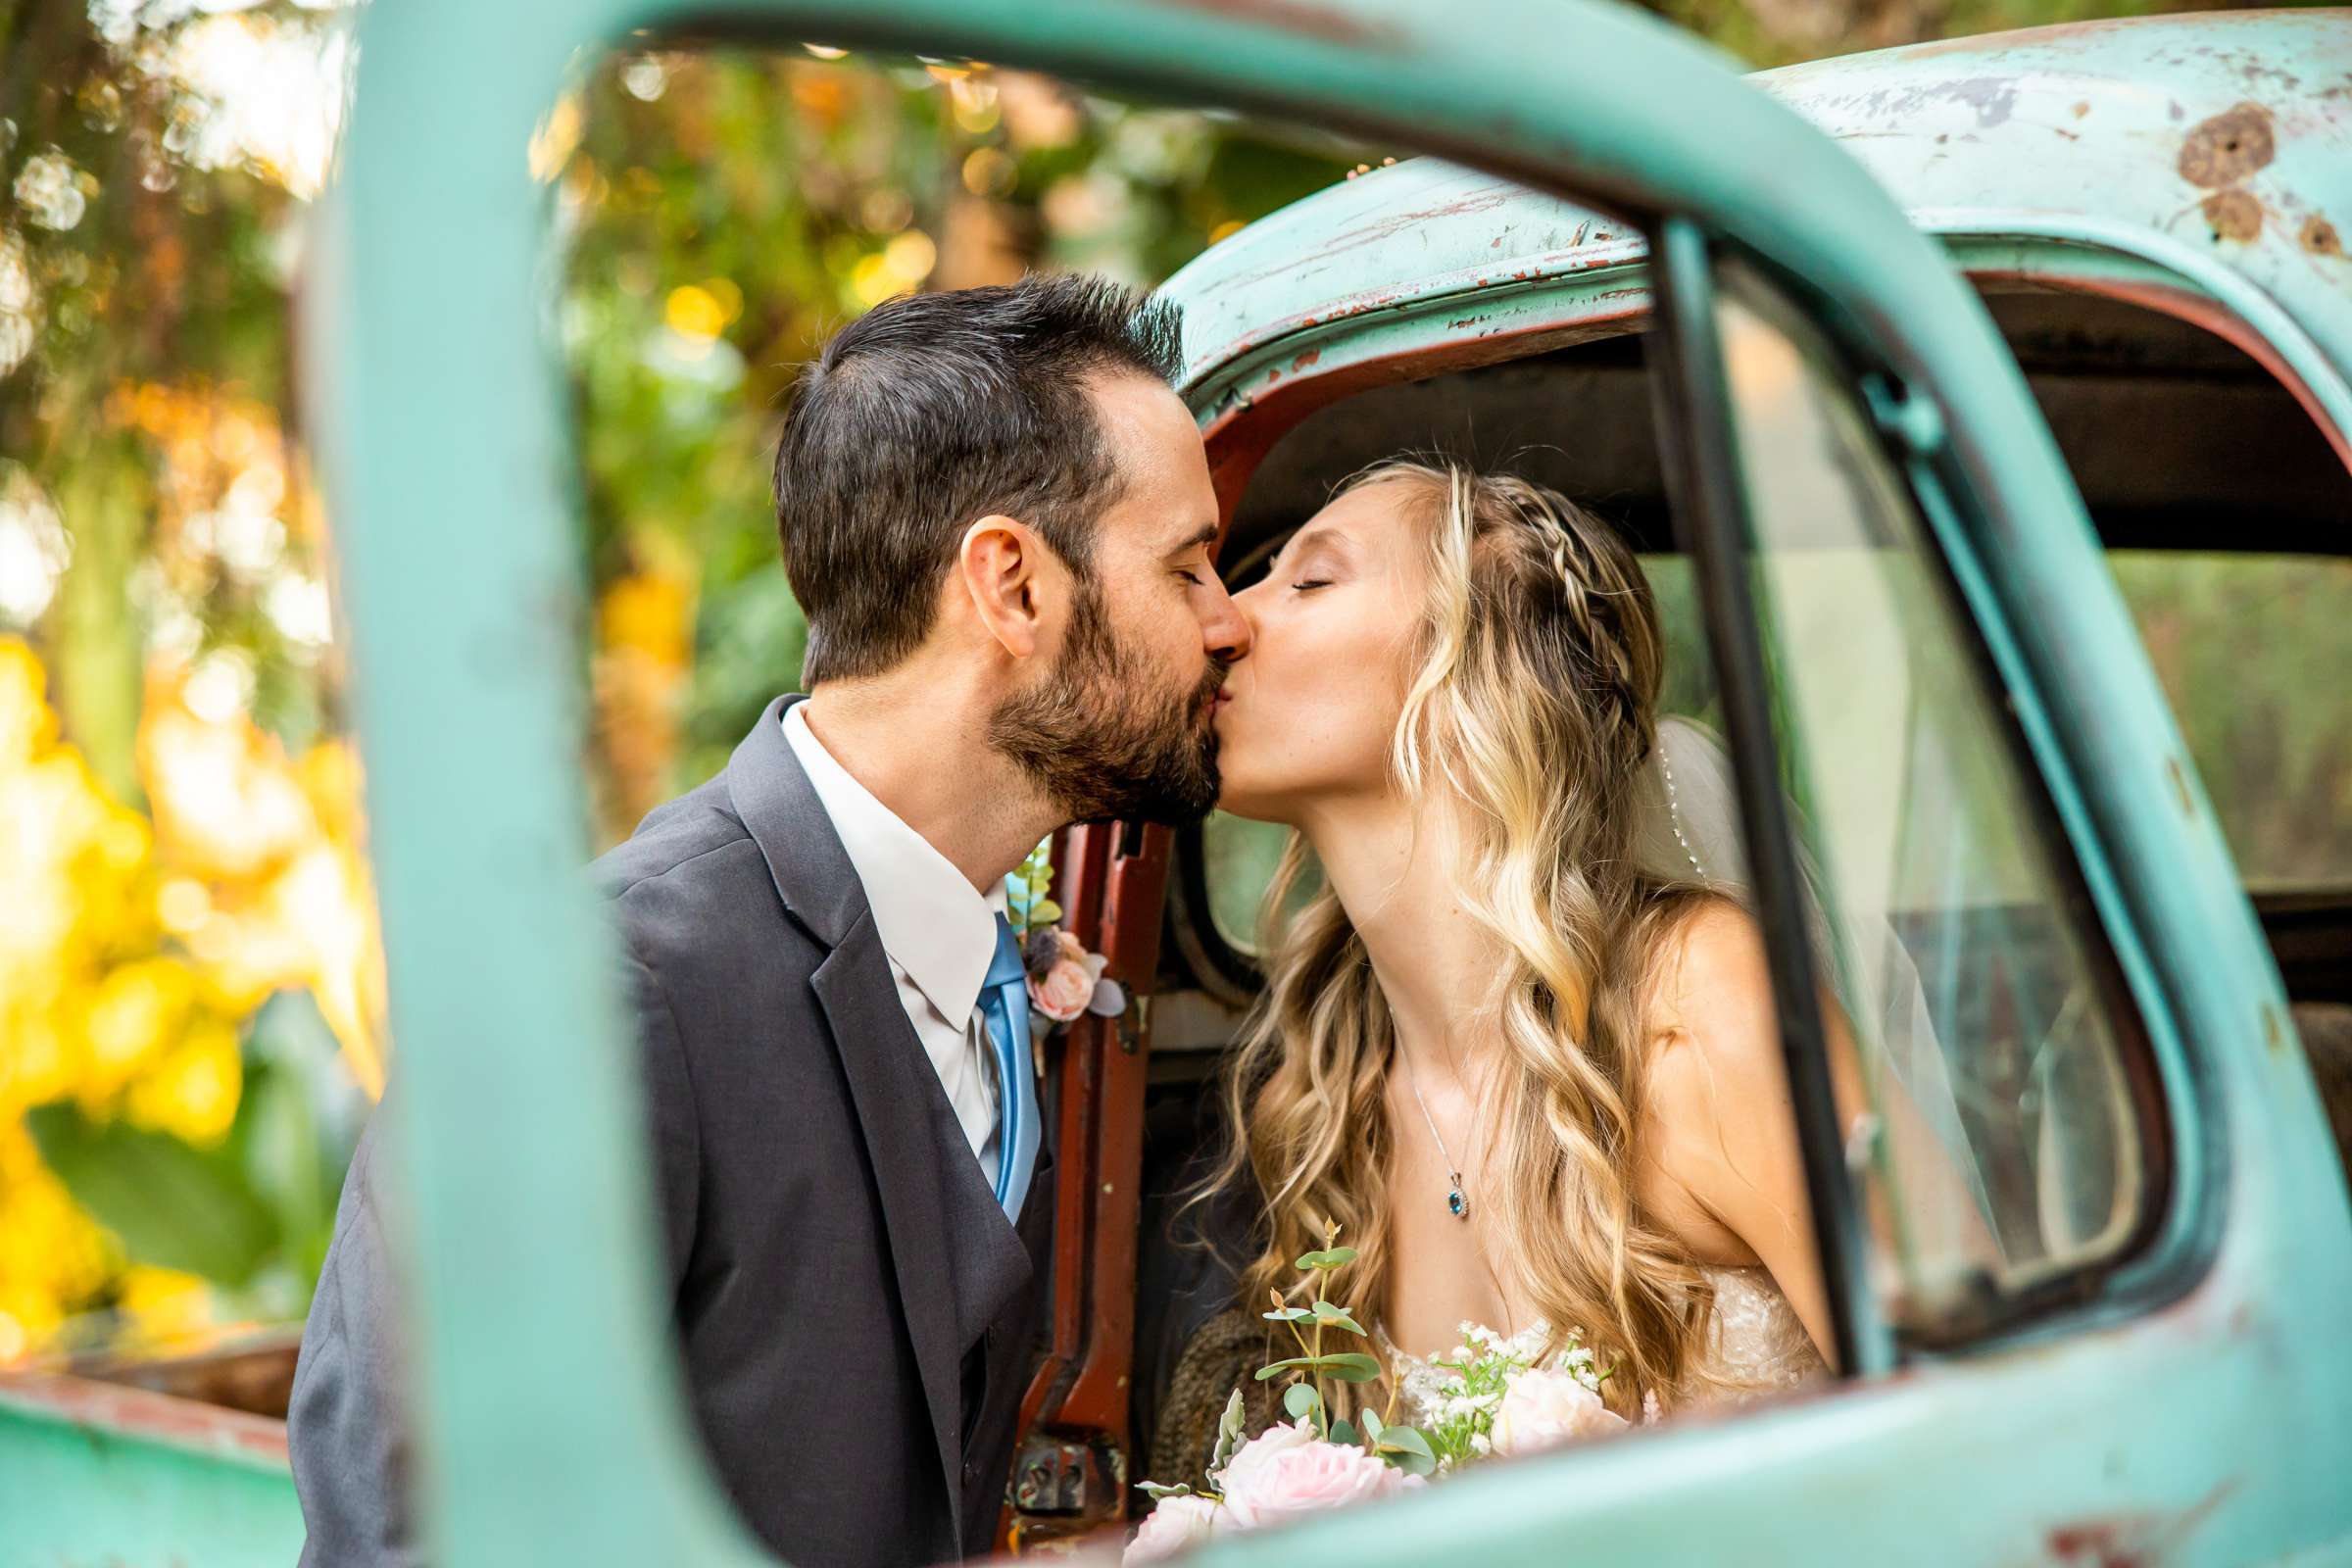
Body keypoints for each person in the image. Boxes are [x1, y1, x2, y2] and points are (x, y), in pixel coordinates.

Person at [287, 273, 1251, 1567]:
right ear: (1012, 587)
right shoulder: (606, 991)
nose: (1229, 619)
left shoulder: (1011, 967)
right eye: (1188, 564)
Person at [1183, 458, 1836, 1457]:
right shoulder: (1335, 1098)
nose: (1222, 622)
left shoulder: (1700, 999)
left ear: (1470, 669)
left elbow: (2005, 1434)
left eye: (1308, 582)